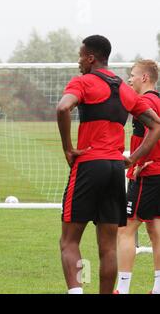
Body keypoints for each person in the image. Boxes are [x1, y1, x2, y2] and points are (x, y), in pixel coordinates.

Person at [56, 35, 160, 294]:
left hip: (89, 165)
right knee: (108, 247)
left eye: (81, 56)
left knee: (69, 241)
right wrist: (133, 158)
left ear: (91, 57)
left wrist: (68, 149)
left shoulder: (83, 82)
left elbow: (62, 108)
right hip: (116, 169)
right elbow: (156, 125)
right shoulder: (125, 90)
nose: (79, 61)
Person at [115, 60, 160, 294]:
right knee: (155, 227)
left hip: (147, 174)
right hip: (157, 173)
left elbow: (155, 131)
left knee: (125, 229)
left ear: (145, 78)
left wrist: (137, 161)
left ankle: (121, 289)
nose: (129, 79)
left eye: (132, 75)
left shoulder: (144, 103)